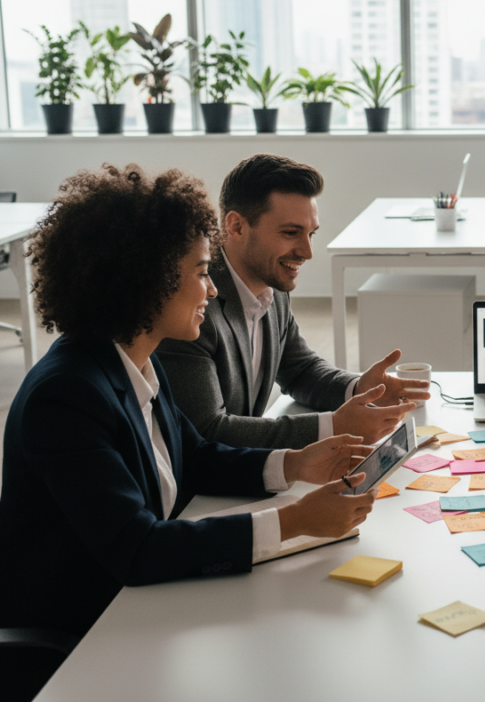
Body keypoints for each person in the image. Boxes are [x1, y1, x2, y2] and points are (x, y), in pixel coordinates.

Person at [0, 165, 379, 640]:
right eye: (202, 273)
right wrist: (294, 521)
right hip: (84, 633)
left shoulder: (135, 359)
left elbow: (195, 456)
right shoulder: (66, 397)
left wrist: (297, 464)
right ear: (148, 281)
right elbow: (137, 548)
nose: (214, 288)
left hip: (141, 604)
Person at [157, 154, 429, 451]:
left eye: (311, 233)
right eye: (290, 233)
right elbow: (208, 431)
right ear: (235, 226)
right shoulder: (194, 304)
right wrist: (332, 427)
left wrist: (360, 388)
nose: (307, 252)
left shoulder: (272, 285)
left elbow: (299, 370)